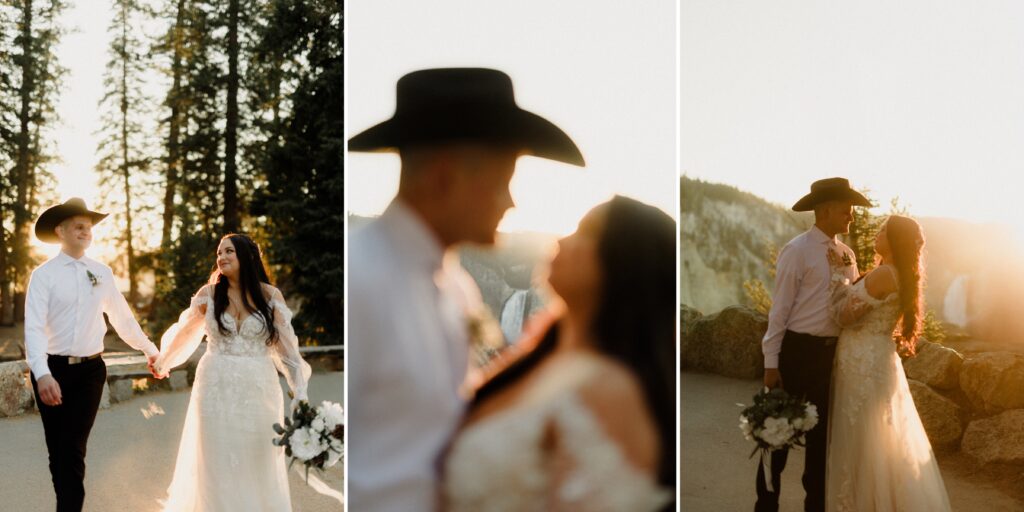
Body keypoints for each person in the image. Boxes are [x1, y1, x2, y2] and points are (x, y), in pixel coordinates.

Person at [346, 67, 585, 511]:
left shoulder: (457, 286)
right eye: (504, 180)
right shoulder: (358, 278)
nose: (512, 201)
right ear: (444, 176)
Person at [442, 196, 676, 511]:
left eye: (588, 232)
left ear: (630, 263)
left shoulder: (611, 390)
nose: (562, 240)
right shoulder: (536, 363)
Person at [152, 233, 311, 511]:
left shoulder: (270, 296)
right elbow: (185, 333)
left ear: (246, 257)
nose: (221, 257)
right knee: (214, 456)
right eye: (219, 253)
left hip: (258, 388)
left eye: (229, 252)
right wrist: (164, 361)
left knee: (257, 455)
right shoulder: (209, 294)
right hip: (214, 386)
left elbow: (288, 351)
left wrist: (301, 392)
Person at [24, 197, 162, 512]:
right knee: (58, 452)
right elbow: (32, 328)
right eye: (79, 226)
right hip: (53, 370)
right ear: (60, 230)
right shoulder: (43, 276)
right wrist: (42, 373)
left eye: (89, 227)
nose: (86, 232)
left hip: (90, 372)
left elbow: (122, 318)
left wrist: (150, 350)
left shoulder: (101, 272)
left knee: (72, 449)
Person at [756, 178, 870, 512]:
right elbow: (780, 310)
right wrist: (771, 364)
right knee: (776, 438)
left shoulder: (847, 254)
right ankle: (766, 506)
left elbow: (851, 303)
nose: (851, 214)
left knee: (821, 445)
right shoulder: (797, 250)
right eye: (846, 207)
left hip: (831, 358)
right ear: (825, 209)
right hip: (796, 353)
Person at [825, 215, 951, 511]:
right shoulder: (895, 273)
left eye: (882, 230)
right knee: (877, 439)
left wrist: (835, 275)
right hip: (875, 358)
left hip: (862, 363)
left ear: (894, 241)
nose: (876, 234)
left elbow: (842, 315)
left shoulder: (884, 276)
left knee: (861, 438)